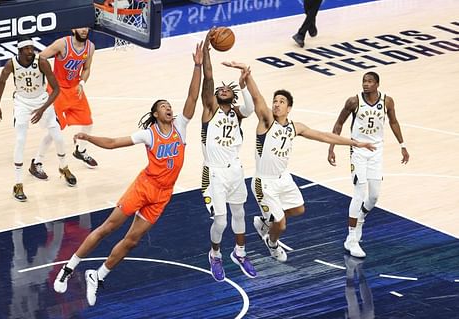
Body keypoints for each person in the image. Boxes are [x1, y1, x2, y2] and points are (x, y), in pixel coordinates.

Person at [52, 42, 203, 306]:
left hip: (163, 194)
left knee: (132, 241)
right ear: (156, 114)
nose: (170, 108)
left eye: (170, 105)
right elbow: (112, 143)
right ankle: (68, 268)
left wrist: (198, 66)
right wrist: (88, 136)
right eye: (164, 106)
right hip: (144, 186)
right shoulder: (149, 134)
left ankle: (97, 276)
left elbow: (193, 97)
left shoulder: (181, 125)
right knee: (108, 228)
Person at [222, 61, 375, 262]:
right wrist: (247, 75)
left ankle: (263, 222)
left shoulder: (295, 127)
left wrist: (354, 143)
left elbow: (323, 136)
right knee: (281, 224)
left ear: (289, 108)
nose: (276, 104)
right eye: (275, 100)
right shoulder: (266, 121)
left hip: (284, 178)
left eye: (281, 101)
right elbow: (258, 97)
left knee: (299, 209)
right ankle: (272, 244)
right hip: (264, 182)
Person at [328, 71, 410, 258]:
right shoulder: (353, 101)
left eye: (370, 81)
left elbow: (394, 122)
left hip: (376, 151)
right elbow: (339, 124)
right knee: (359, 193)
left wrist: (402, 145)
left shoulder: (387, 101)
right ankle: (351, 239)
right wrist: (332, 147)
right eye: (364, 81)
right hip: (357, 149)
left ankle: (360, 218)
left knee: (373, 196)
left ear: (377, 84)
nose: (366, 84)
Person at [200, 29, 258, 282]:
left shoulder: (237, 113)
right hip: (214, 172)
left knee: (240, 214)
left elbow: (251, 107)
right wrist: (205, 52)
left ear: (232, 95)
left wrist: (243, 83)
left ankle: (240, 253)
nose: (223, 89)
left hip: (236, 169)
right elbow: (210, 77)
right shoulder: (210, 109)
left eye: (228, 88)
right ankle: (214, 255)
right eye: (219, 89)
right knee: (221, 221)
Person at [0, 37, 77, 202]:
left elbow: (56, 89)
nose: (31, 51)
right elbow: (1, 81)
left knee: (58, 137)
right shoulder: (11, 64)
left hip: (42, 102)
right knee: (20, 140)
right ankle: (17, 184)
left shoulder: (42, 62)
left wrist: (42, 109)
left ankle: (63, 168)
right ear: (20, 50)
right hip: (22, 104)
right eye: (27, 49)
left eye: (32, 48)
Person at [29, 28, 98, 181]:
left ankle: (81, 150)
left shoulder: (90, 47)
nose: (84, 30)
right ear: (74, 29)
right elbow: (40, 58)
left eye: (86, 27)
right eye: (80, 27)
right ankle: (36, 162)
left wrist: (82, 82)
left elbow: (86, 68)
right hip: (57, 90)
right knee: (56, 130)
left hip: (75, 89)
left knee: (88, 122)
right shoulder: (62, 44)